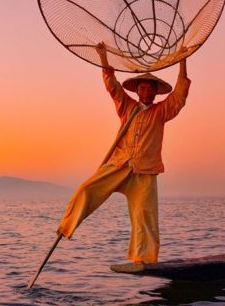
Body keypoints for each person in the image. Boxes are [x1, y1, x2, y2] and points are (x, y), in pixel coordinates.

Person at [56, 42, 191, 265]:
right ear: (138, 90)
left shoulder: (160, 112)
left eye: (150, 89)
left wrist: (182, 62)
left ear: (155, 92)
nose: (146, 92)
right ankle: (66, 226)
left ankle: (144, 258)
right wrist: (103, 58)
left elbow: (179, 96)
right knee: (87, 189)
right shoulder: (128, 107)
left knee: (144, 216)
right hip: (119, 164)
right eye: (143, 88)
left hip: (145, 172)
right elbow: (113, 87)